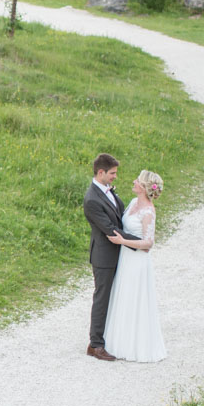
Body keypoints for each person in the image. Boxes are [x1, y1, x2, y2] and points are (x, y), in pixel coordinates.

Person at [103, 169, 166, 362]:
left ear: (144, 187)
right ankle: (119, 340)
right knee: (122, 295)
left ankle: (135, 344)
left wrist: (122, 241)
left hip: (137, 261)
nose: (134, 182)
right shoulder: (132, 204)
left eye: (137, 181)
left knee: (134, 297)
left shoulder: (148, 211)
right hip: (125, 259)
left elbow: (148, 244)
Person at [83, 153, 137, 361]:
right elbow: (111, 230)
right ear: (101, 172)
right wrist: (140, 244)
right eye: (112, 173)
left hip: (118, 253)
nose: (115, 177)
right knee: (102, 299)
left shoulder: (106, 192)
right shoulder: (92, 200)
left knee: (116, 297)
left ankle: (111, 337)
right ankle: (95, 344)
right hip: (104, 257)